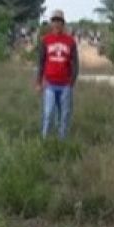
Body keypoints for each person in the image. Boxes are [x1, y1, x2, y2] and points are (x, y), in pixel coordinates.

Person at [36, 9, 79, 140]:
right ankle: (44, 141)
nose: (56, 24)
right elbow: (41, 62)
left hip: (65, 85)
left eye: (59, 21)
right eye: (54, 20)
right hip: (50, 84)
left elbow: (75, 63)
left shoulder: (70, 41)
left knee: (64, 115)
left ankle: (62, 141)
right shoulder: (46, 40)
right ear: (51, 23)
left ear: (63, 23)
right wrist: (38, 82)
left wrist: (72, 81)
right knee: (48, 113)